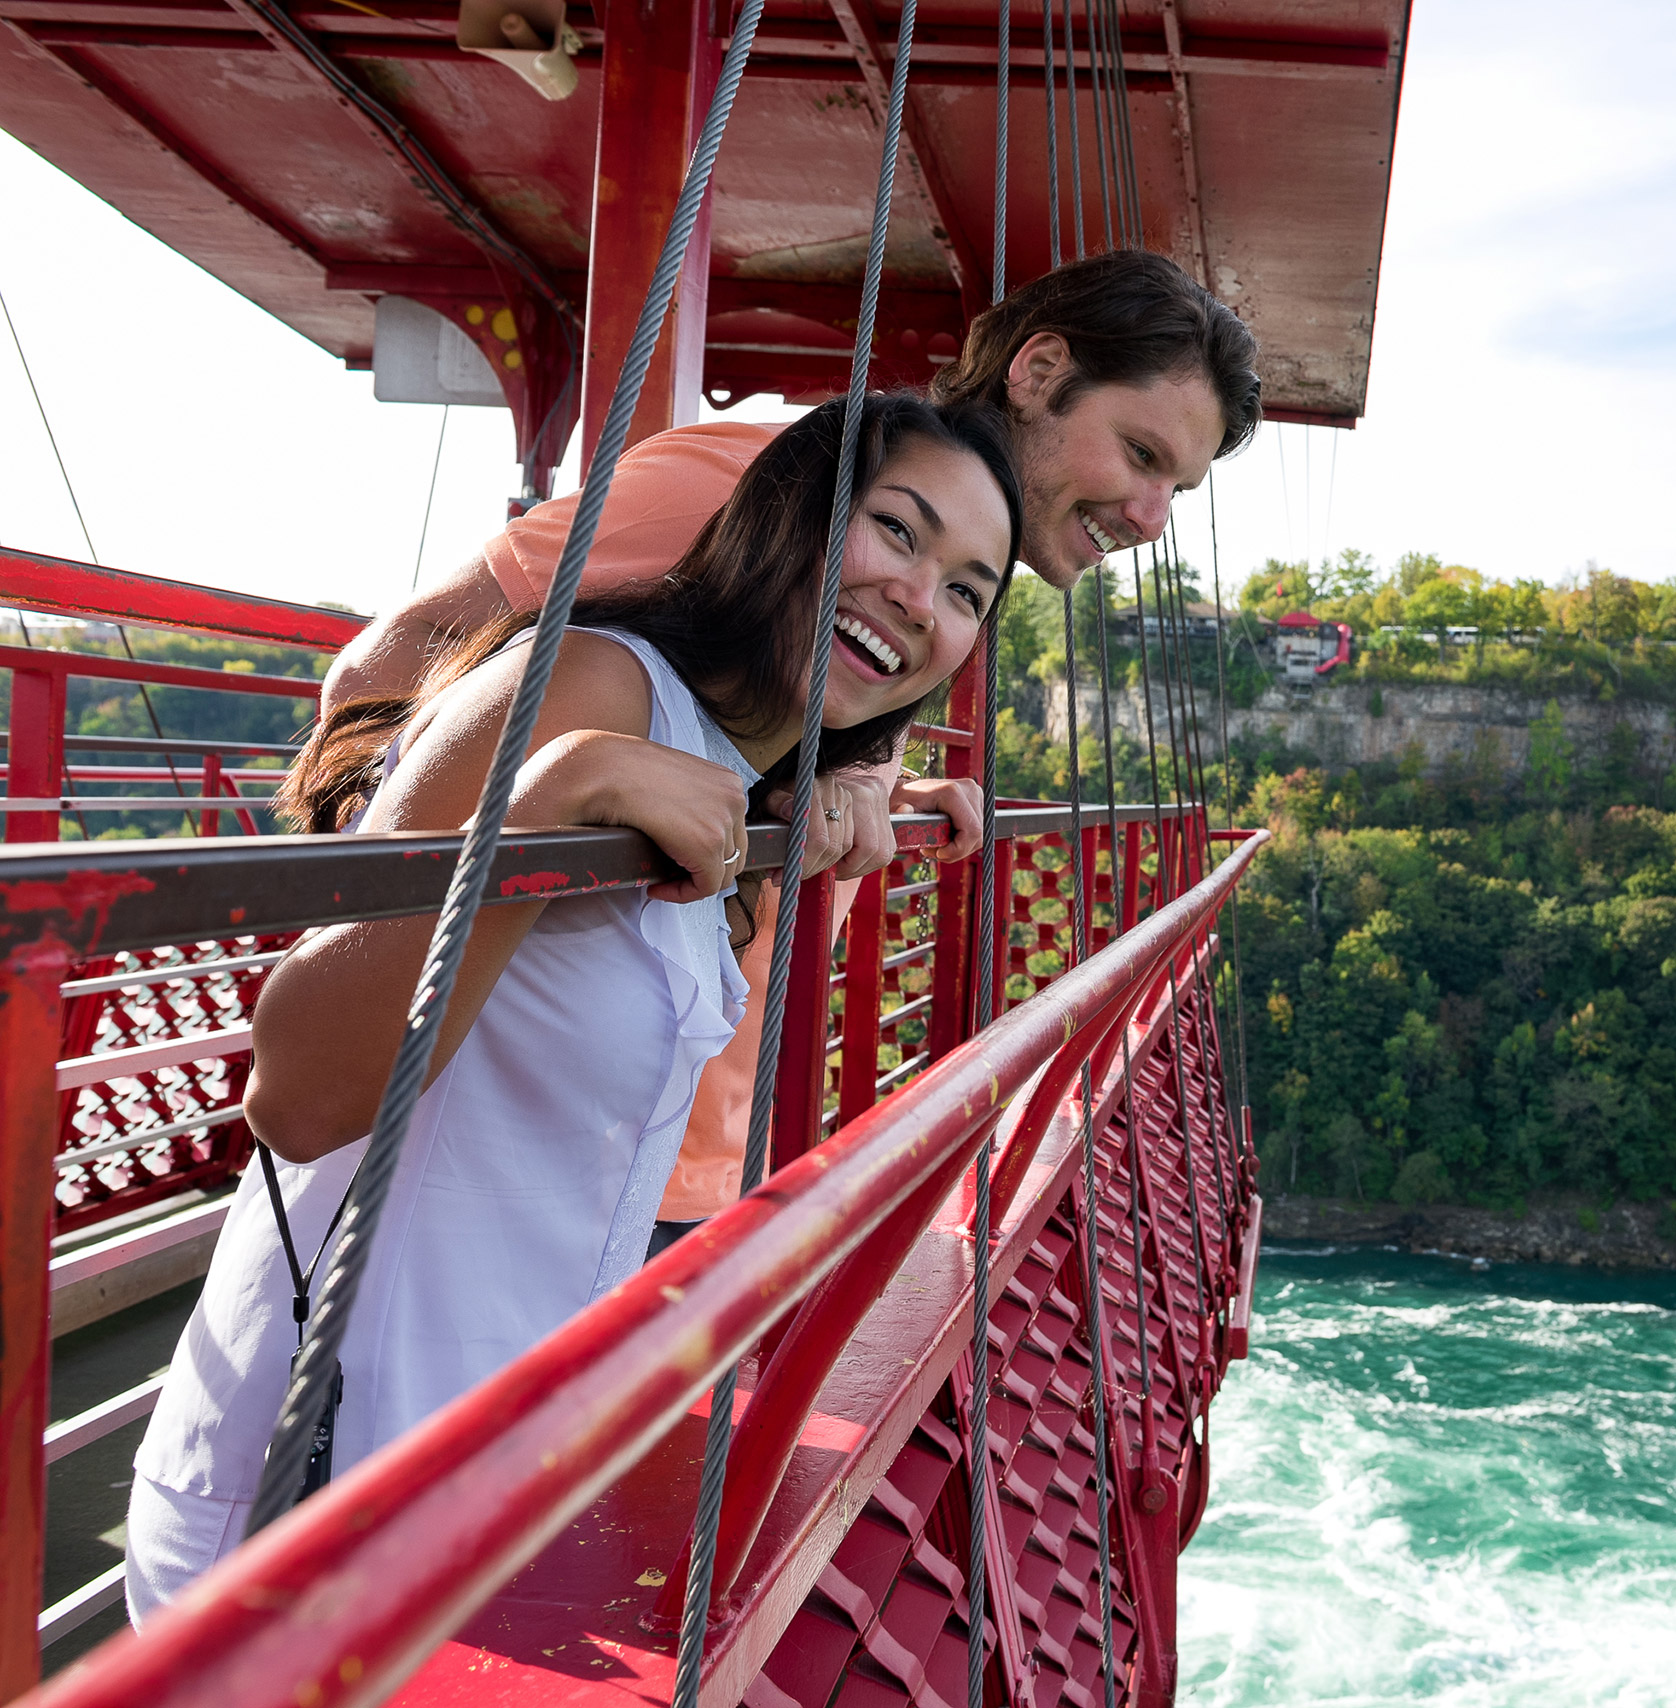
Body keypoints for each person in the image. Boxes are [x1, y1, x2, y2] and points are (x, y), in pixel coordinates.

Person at [125, 393, 1021, 1620]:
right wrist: (547, 794)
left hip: (492, 1484)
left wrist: (844, 792)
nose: (921, 597)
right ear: (786, 515)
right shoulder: (590, 683)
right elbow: (297, 1094)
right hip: (313, 1487)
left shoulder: (729, 768)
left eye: (968, 591)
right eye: (898, 531)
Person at [316, 248, 1263, 1233]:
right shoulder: (750, 489)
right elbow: (385, 674)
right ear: (1039, 372)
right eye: (1141, 455)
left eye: (1178, 489)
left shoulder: (924, 597)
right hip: (501, 1158)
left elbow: (710, 729)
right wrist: (401, 925)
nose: (1152, 519)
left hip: (682, 1151)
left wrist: (868, 783)